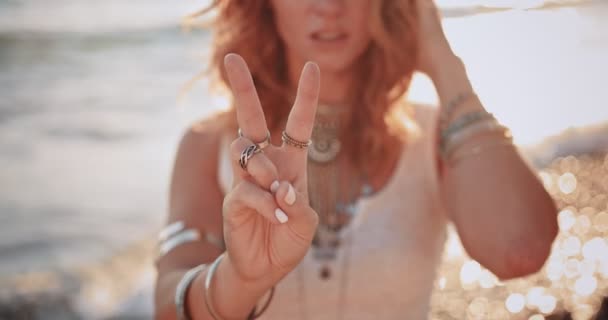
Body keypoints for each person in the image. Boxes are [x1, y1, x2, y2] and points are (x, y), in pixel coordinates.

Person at [154, 0, 559, 319]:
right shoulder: (212, 145)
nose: (330, 6)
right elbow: (166, 307)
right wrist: (240, 280)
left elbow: (520, 251)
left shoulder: (435, 135)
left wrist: (442, 58)